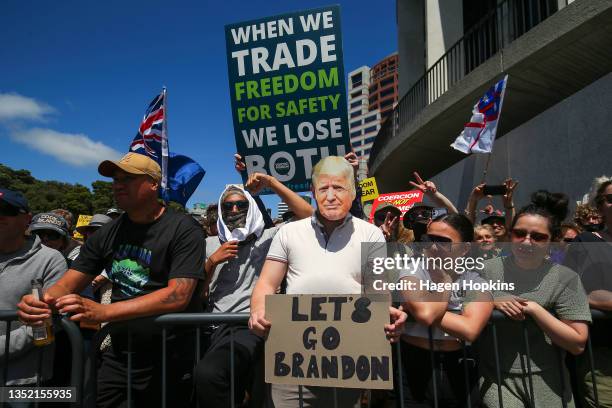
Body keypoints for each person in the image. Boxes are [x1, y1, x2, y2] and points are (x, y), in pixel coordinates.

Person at [17, 152, 206, 407]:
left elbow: (178, 295)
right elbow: (68, 282)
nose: (118, 184)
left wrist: (104, 312)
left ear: (153, 184)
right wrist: (40, 301)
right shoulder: (106, 234)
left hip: (170, 355)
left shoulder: (184, 229)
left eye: (128, 178)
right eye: (116, 179)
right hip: (118, 353)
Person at [249, 156, 406, 408]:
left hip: (350, 363)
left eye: (339, 187)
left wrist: (385, 315)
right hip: (292, 365)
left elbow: (378, 288)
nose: (330, 196)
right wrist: (257, 311)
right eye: (323, 188)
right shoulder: (289, 232)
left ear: (353, 192)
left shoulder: (372, 234)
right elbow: (266, 284)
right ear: (313, 192)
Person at [195, 165, 313, 408]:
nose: (235, 210)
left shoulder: (269, 239)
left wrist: (271, 182)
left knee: (253, 393)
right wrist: (212, 262)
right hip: (216, 329)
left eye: (241, 205)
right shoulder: (208, 244)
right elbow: (198, 293)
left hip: (254, 328)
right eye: (228, 206)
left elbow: (308, 216)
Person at [477, 190, 592, 408]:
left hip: (550, 380)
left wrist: (534, 309)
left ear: (552, 241)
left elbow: (577, 343)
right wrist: (490, 300)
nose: (527, 242)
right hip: (497, 379)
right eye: (519, 233)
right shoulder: (486, 270)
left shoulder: (566, 278)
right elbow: (459, 297)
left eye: (538, 237)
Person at [397, 213, 493, 407]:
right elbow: (425, 314)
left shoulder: (475, 280)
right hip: (414, 364)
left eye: (443, 242)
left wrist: (420, 305)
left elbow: (470, 329)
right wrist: (444, 288)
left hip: (458, 367)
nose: (432, 247)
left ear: (465, 248)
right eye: (429, 239)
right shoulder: (413, 269)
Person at [0, 188, 67, 386]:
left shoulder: (51, 260)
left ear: (26, 219)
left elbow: (47, 324)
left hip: (22, 379)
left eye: (6, 210)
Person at [564, 178, 612, 408]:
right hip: (603, 355)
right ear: (600, 206)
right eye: (611, 199)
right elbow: (586, 294)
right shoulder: (586, 241)